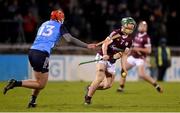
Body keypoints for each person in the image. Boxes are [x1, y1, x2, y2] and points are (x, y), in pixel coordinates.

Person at [3, 9, 96, 108]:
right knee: (41, 84)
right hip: (42, 54)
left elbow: (46, 37)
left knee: (37, 80)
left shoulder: (44, 24)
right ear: (59, 18)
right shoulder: (60, 26)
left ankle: (32, 101)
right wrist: (86, 45)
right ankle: (16, 83)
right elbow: (69, 39)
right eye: (62, 17)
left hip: (32, 51)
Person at [84, 17, 136, 105]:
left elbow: (124, 55)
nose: (130, 30)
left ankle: (90, 87)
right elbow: (105, 44)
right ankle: (88, 99)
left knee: (107, 85)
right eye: (129, 27)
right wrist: (104, 54)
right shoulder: (115, 33)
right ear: (123, 26)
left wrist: (124, 68)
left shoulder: (130, 40)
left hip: (112, 61)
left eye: (132, 28)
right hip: (102, 56)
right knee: (100, 77)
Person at [117, 21, 163, 93]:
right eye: (141, 25)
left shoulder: (146, 38)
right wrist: (129, 52)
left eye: (144, 26)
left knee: (141, 75)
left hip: (140, 58)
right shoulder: (137, 35)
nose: (142, 27)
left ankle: (156, 85)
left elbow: (149, 51)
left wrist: (137, 49)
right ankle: (121, 87)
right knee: (123, 69)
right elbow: (133, 46)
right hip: (133, 56)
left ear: (146, 28)